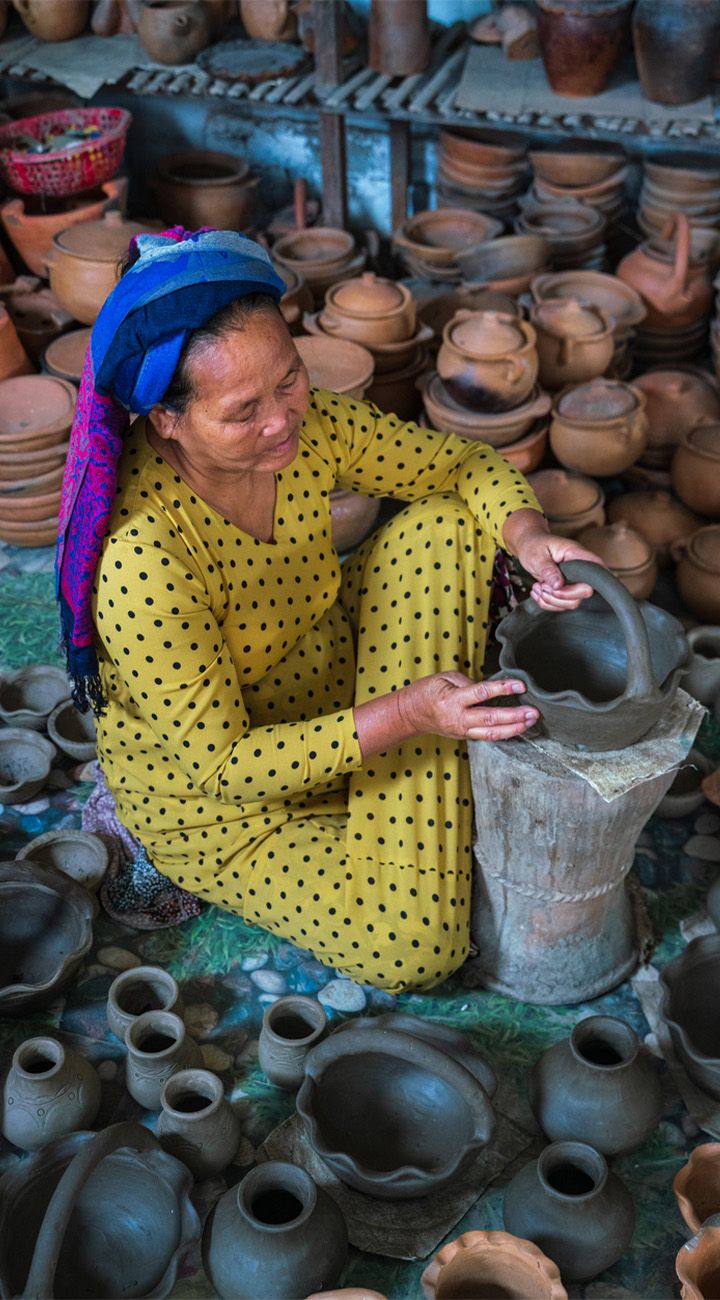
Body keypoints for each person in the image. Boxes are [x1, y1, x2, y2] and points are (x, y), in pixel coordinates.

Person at [57, 227, 599, 993]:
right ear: (166, 420)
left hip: (331, 675)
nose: (282, 420)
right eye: (243, 411)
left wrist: (532, 535)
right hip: (223, 802)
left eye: (290, 379)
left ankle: (393, 809)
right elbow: (225, 763)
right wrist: (410, 715)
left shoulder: (307, 430)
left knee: (446, 522)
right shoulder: (144, 561)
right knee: (414, 949)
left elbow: (462, 463)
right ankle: (375, 816)